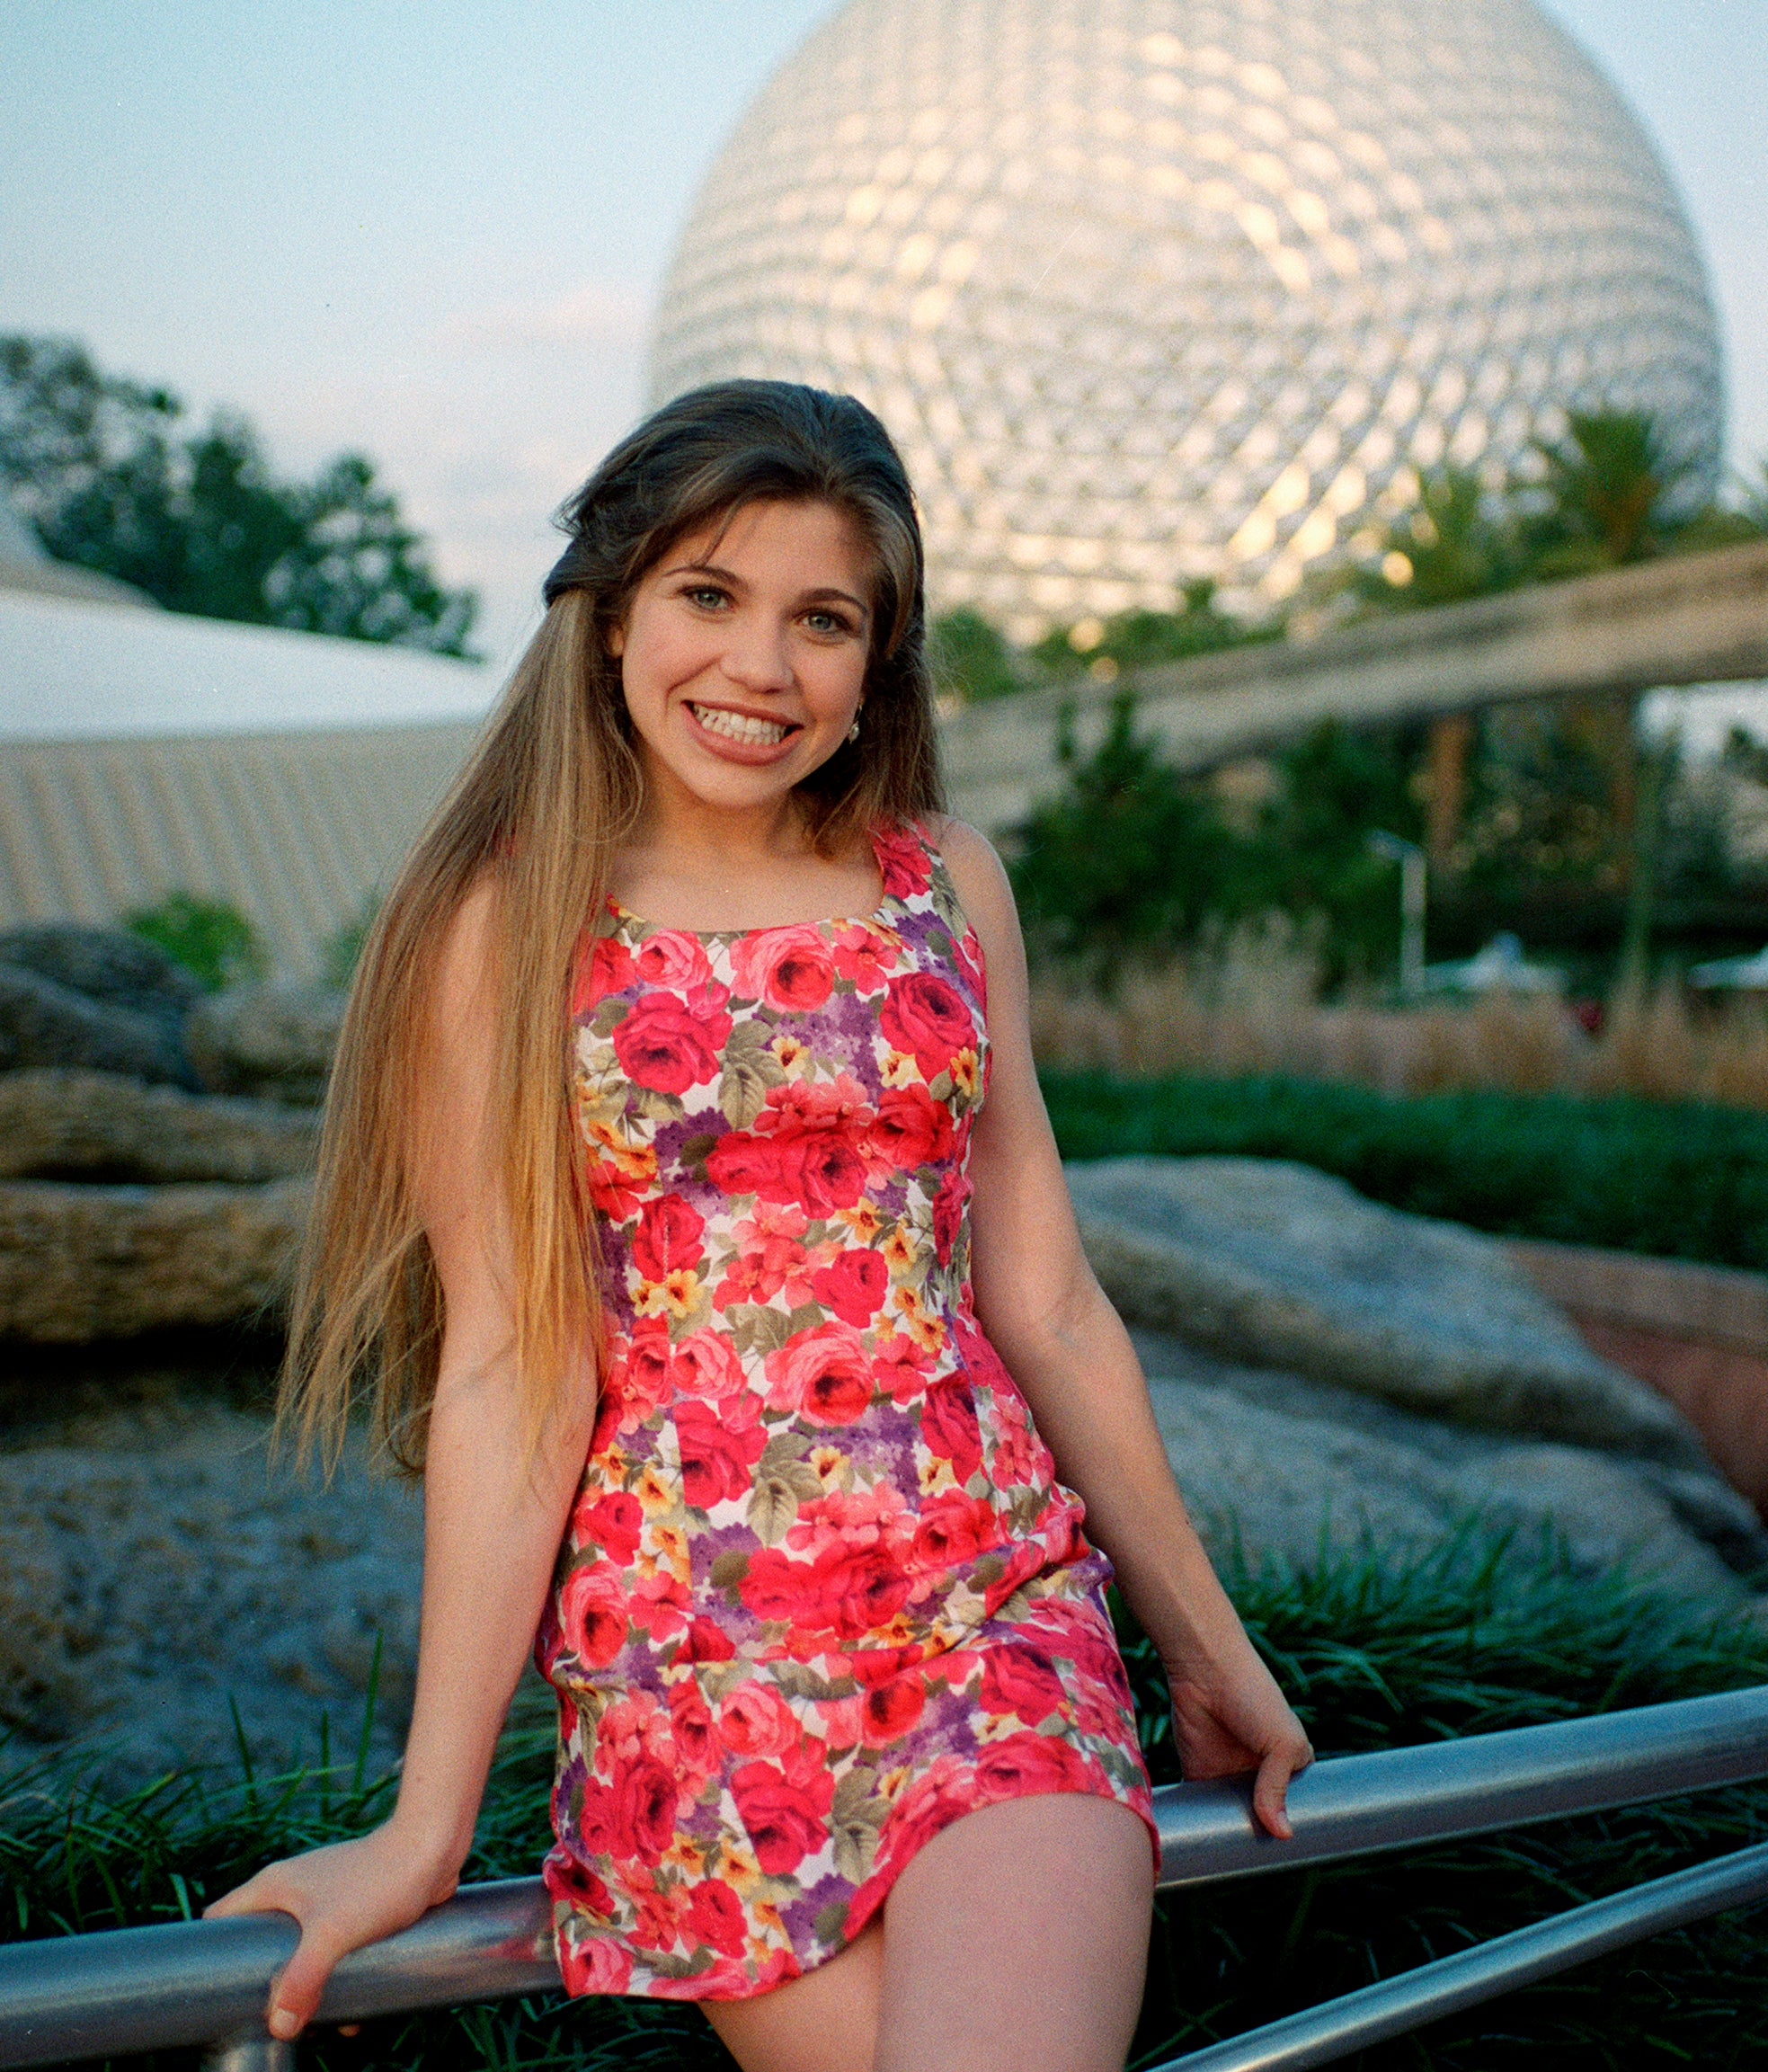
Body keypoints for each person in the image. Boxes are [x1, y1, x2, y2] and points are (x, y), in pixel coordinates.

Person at [209, 380, 1312, 2071]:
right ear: (612, 614)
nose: (760, 666)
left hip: (988, 1616)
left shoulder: (946, 881)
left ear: (880, 661)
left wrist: (1205, 1642)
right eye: (709, 597)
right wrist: (426, 1826)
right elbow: (513, 1359)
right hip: (692, 1673)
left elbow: (1050, 1294)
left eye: (823, 618)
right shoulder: (505, 927)